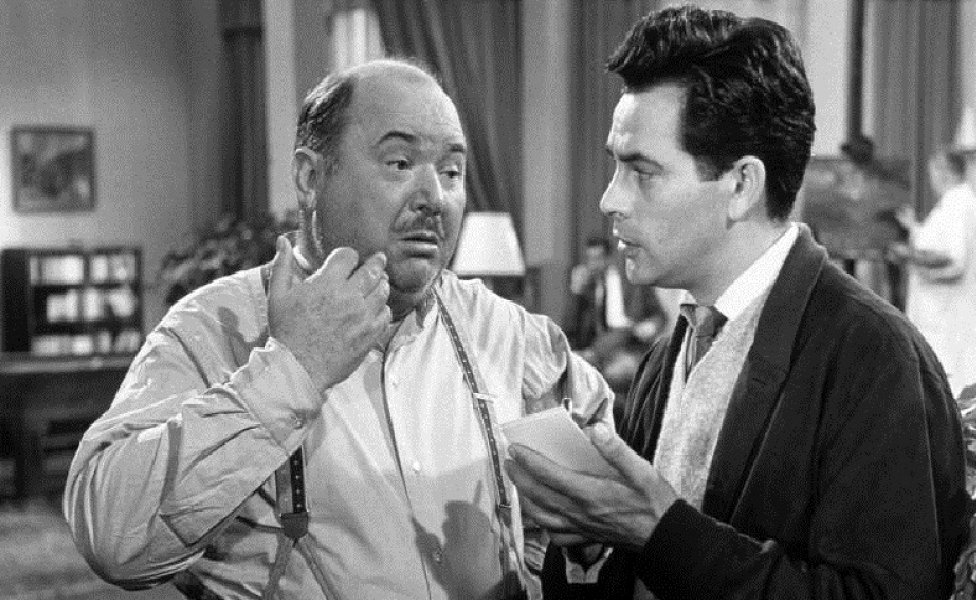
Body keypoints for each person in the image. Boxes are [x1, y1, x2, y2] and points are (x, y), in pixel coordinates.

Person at [63, 59, 612, 600]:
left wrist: (555, 558)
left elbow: (601, 504)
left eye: (451, 172)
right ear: (310, 178)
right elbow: (112, 538)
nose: (434, 198)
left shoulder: (509, 334)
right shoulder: (216, 328)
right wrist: (292, 371)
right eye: (400, 163)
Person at [505, 6, 970, 600]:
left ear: (742, 185)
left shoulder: (874, 356)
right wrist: (593, 543)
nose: (609, 200)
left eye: (642, 172)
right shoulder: (670, 354)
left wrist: (661, 533)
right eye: (616, 167)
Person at [892, 148, 976, 396]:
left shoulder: (958, 206)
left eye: (934, 172)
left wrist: (908, 257)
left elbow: (951, 259)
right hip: (948, 312)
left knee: (951, 384)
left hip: (947, 315)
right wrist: (914, 228)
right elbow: (939, 243)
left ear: (944, 172)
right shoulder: (958, 204)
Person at [566, 236, 666, 392]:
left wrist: (651, 326)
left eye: (598, 258)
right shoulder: (588, 288)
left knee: (614, 371)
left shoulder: (633, 281)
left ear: (609, 258)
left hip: (629, 347)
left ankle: (593, 356)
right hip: (599, 348)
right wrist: (576, 293)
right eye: (590, 259)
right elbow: (569, 330)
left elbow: (659, 316)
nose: (593, 265)